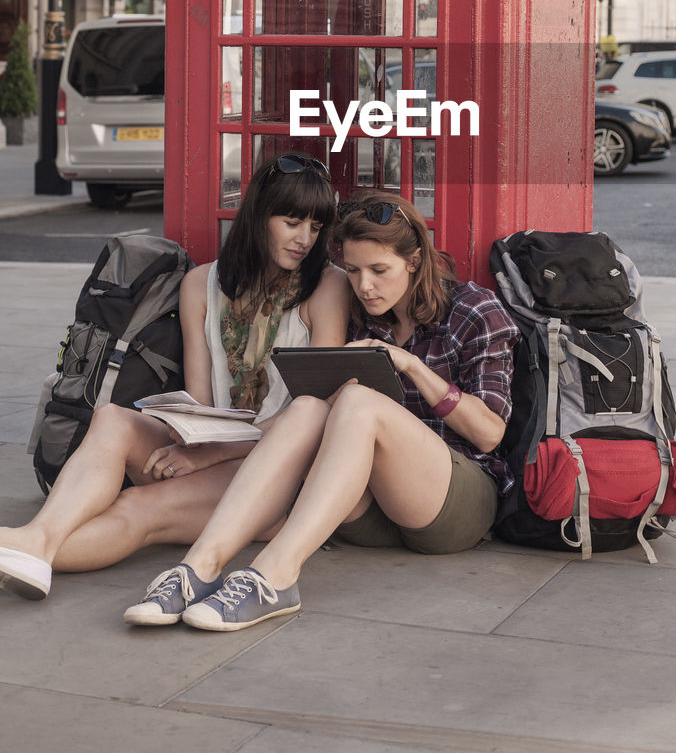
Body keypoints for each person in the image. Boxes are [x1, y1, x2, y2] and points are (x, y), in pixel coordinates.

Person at [0, 154, 349, 604]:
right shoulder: (201, 284)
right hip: (213, 447)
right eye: (292, 222)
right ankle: (26, 544)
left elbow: (310, 410)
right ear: (258, 215)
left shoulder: (326, 287)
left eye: (315, 227)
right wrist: (189, 440)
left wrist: (206, 456)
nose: (305, 240)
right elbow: (199, 400)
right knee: (113, 420)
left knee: (136, 508)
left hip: (273, 473)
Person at [123, 192, 518, 630]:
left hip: (453, 504)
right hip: (368, 509)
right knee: (311, 404)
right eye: (352, 270)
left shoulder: (474, 310)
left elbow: (491, 434)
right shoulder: (360, 313)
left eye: (378, 270)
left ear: (414, 260)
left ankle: (275, 576)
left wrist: (410, 365)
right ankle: (199, 567)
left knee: (358, 401)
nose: (364, 285)